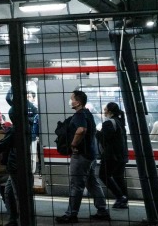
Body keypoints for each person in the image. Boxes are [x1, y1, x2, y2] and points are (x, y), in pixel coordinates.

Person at [56, 89, 111, 223]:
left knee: (76, 184)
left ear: (78, 102)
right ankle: (102, 210)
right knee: (92, 183)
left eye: (72, 98)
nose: (71, 101)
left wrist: (73, 145)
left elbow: (81, 129)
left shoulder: (80, 115)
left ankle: (71, 214)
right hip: (91, 154)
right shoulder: (88, 114)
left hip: (81, 155)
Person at [98, 103, 129, 209]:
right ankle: (124, 200)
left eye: (105, 109)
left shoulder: (108, 123)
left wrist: (95, 133)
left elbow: (105, 138)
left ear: (110, 111)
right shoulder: (120, 122)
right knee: (118, 176)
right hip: (122, 155)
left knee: (103, 175)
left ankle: (120, 197)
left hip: (111, 155)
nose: (104, 111)